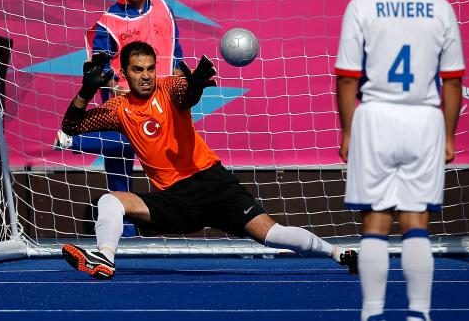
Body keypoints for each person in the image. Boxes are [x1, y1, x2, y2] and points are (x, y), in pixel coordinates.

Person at [59, 41, 358, 279]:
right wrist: (86, 91)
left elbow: (185, 95)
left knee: (271, 234)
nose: (147, 75)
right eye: (138, 70)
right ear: (125, 72)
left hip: (213, 184)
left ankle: (339, 254)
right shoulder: (117, 108)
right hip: (175, 199)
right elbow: (71, 127)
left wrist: (195, 86)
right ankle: (105, 260)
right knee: (110, 201)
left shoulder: (167, 87)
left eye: (150, 68)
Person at [335, 0, 464, 321]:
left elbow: (346, 77)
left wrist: (347, 130)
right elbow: (453, 79)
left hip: (376, 117)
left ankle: (372, 313)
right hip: (424, 119)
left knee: (375, 218)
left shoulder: (363, 5)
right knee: (416, 220)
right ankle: (418, 313)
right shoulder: (440, 7)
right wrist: (448, 134)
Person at [54, 0, 185, 236]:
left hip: (163, 98)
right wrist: (115, 87)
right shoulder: (109, 22)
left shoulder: (163, 8)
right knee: (121, 163)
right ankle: (123, 232)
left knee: (149, 151)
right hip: (126, 100)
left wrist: (182, 79)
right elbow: (99, 64)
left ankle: (75, 141)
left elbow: (176, 51)